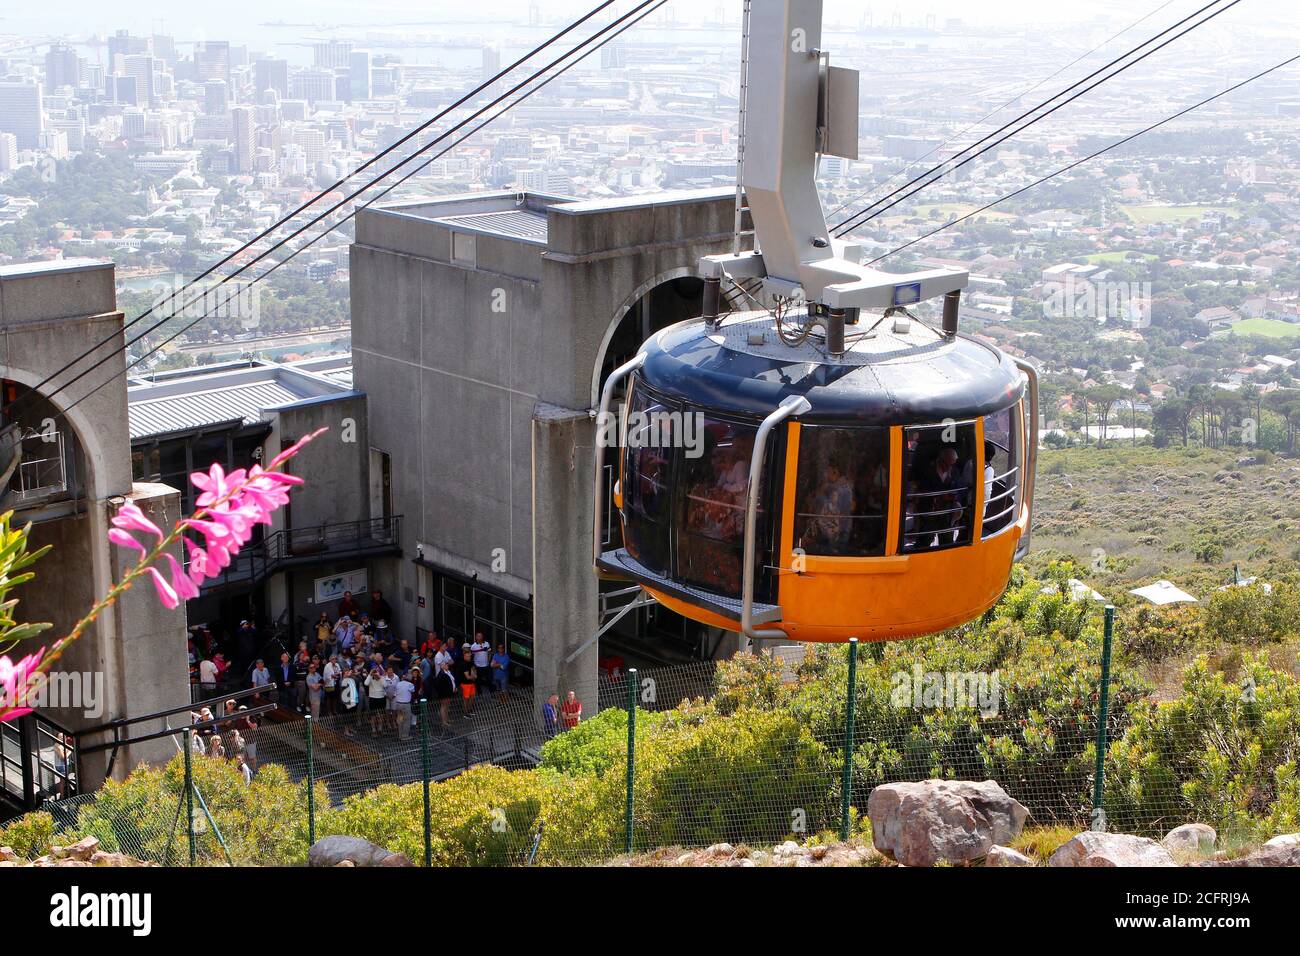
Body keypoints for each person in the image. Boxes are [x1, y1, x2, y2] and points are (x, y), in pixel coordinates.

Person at [433, 661, 456, 731]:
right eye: (445, 664)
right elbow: (438, 685)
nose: (447, 665)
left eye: (447, 664)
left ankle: (447, 719)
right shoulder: (441, 674)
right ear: (442, 666)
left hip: (449, 693)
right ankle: (444, 721)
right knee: (443, 706)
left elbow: (452, 680)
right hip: (444, 693)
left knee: (447, 706)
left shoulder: (447, 672)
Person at [364, 666, 387, 736]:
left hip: (381, 698)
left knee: (382, 715)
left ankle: (380, 729)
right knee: (373, 716)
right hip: (373, 698)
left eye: (377, 671)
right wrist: (370, 674)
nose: (376, 673)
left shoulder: (382, 678)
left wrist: (379, 677)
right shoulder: (370, 678)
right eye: (375, 672)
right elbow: (366, 683)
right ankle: (373, 730)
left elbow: (385, 685)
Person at [392, 671, 415, 740]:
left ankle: (400, 735)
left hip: (398, 704)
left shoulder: (398, 684)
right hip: (406, 704)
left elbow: (395, 693)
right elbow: (413, 691)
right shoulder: (410, 684)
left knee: (400, 719)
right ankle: (405, 736)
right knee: (407, 720)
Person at [456, 648, 478, 718]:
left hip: (472, 683)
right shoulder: (463, 664)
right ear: (464, 655)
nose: (469, 656)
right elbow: (468, 677)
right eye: (467, 655)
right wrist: (474, 676)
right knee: (466, 699)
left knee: (472, 697)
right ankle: (465, 713)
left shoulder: (471, 662)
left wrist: (474, 675)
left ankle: (469, 710)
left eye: (469, 655)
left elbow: (474, 670)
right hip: (465, 684)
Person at [338, 666, 360, 738]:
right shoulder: (342, 680)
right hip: (346, 701)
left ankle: (350, 728)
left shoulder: (352, 678)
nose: (348, 673)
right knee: (346, 716)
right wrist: (346, 677)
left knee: (352, 715)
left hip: (354, 700)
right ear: (344, 673)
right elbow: (342, 685)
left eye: (348, 671)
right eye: (346, 672)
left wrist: (354, 674)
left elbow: (358, 681)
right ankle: (346, 731)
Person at [470, 632, 492, 698]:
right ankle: (480, 694)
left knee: (489, 680)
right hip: (478, 666)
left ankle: (492, 693)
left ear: (482, 637)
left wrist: (489, 661)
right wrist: (473, 666)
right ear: (476, 637)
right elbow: (471, 656)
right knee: (478, 681)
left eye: (480, 636)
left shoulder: (487, 643)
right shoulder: (473, 646)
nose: (479, 637)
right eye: (478, 636)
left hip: (486, 666)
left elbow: (489, 652)